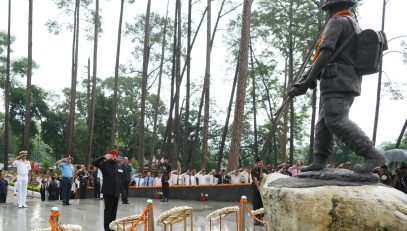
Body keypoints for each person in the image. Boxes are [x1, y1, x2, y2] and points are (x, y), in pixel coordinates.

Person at [291, 0, 386, 174]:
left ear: (332, 8)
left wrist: (306, 82)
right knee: (324, 122)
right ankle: (319, 160)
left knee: (335, 119)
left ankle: (372, 154)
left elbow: (326, 52)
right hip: (344, 79)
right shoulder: (353, 23)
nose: (328, 13)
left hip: (337, 79)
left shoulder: (337, 22)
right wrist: (306, 79)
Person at [92, 149, 123, 231]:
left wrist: (120, 191)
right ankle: (107, 228)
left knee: (114, 211)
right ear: (109, 156)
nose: (114, 156)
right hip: (108, 191)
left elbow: (120, 179)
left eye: (116, 155)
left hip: (116, 191)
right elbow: (94, 163)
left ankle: (112, 226)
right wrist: (103, 157)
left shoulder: (118, 165)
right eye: (113, 155)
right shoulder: (104, 164)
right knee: (108, 210)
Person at [251, 158, 269, 226]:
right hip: (256, 189)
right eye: (259, 162)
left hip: (263, 188)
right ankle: (256, 220)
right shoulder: (254, 170)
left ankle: (261, 220)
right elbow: (255, 179)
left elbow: (267, 178)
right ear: (256, 163)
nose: (261, 163)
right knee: (256, 203)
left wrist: (263, 177)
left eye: (262, 162)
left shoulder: (265, 170)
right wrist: (258, 187)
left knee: (262, 203)